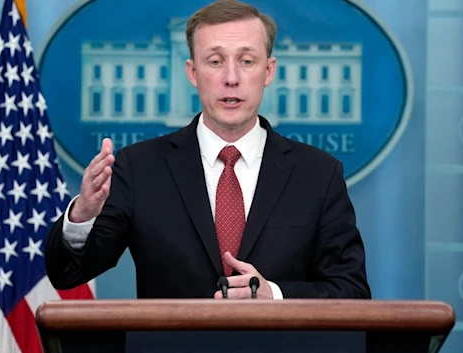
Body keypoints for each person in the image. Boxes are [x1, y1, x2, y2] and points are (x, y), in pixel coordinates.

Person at [45, 0, 371, 300]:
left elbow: (352, 291)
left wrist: (275, 295)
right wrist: (82, 216)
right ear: (192, 72)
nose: (231, 78)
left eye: (246, 61)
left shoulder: (318, 174)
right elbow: (68, 275)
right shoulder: (140, 167)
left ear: (268, 71)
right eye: (215, 61)